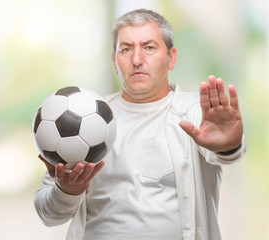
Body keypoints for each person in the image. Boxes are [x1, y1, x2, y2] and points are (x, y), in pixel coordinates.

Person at [34, 8, 246, 240]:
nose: (137, 60)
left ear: (171, 57)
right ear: (115, 62)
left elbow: (223, 152)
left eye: (149, 47)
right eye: (126, 49)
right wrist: (66, 191)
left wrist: (229, 145)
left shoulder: (195, 112)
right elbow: (49, 215)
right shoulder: (78, 116)